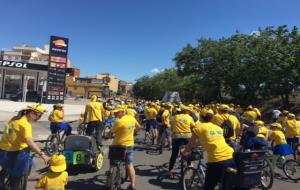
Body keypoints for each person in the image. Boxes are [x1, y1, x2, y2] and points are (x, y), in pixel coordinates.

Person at [181, 108, 236, 190]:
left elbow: (191, 143)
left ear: (201, 117)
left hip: (217, 159)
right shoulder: (217, 127)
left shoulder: (199, 127)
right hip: (231, 155)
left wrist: (184, 151)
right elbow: (210, 140)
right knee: (226, 184)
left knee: (208, 186)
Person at [0, 104, 50, 190]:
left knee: (5, 169)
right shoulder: (26, 125)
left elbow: (8, 133)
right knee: (16, 180)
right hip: (15, 153)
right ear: (31, 113)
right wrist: (43, 155)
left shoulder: (14, 119)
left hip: (2, 151)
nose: (38, 119)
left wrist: (16, 138)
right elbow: (29, 141)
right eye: (38, 116)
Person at [109, 108, 141, 190]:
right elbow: (138, 127)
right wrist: (133, 132)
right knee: (130, 165)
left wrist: (107, 136)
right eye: (115, 113)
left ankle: (109, 182)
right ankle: (133, 185)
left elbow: (111, 133)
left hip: (117, 146)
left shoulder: (119, 122)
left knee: (112, 164)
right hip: (129, 145)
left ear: (122, 112)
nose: (115, 114)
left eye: (117, 112)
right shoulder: (132, 118)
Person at [164, 105, 195, 176]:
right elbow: (193, 127)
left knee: (174, 154)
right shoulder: (190, 118)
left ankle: (170, 171)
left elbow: (171, 127)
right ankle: (189, 165)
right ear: (187, 111)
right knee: (188, 151)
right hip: (187, 136)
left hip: (177, 136)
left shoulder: (174, 117)